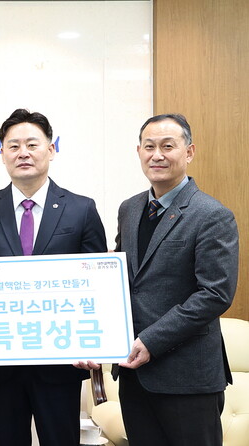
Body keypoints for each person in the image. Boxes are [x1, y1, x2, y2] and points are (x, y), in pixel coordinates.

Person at [0, 108, 107, 445]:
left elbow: (97, 283)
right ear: (2, 154)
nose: (23, 153)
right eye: (13, 146)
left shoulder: (81, 209)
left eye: (32, 144)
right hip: (0, 361)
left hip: (61, 361)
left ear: (50, 150)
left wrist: (95, 343)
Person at [113, 114, 238, 445]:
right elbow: (120, 278)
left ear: (189, 152)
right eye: (149, 147)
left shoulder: (212, 215)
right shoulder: (129, 209)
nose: (157, 155)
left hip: (187, 377)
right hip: (134, 374)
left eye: (168, 146)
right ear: (139, 152)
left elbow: (215, 294)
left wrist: (151, 340)